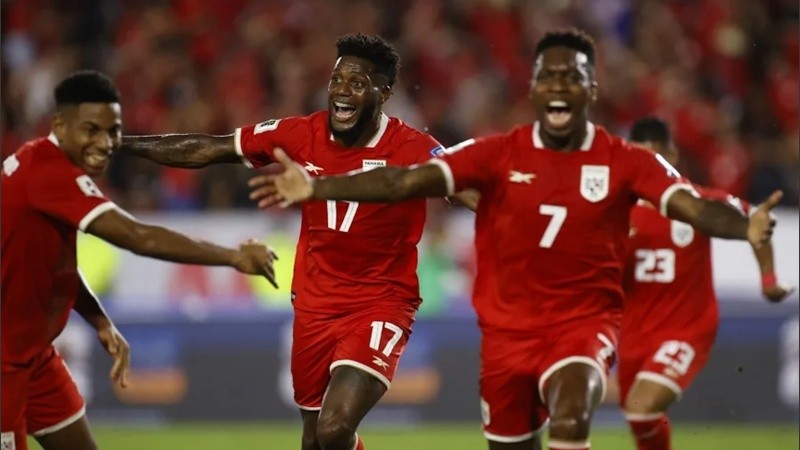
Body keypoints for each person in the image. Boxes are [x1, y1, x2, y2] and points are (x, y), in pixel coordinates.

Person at [249, 29, 781, 450]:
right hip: (508, 332)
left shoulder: (628, 161)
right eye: (547, 76)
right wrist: (319, 185)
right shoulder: (497, 153)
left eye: (570, 77)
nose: (557, 86)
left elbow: (691, 204)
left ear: (590, 90)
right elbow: (403, 180)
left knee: (572, 418)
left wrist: (744, 227)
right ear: (533, 88)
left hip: (582, 319)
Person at [119, 33, 473, 450]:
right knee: (314, 440)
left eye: (357, 83)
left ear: (385, 92)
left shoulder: (413, 148)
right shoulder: (298, 134)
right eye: (337, 79)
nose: (342, 90)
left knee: (335, 426)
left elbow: (464, 189)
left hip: (381, 302)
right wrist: (120, 145)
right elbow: (209, 149)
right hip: (314, 306)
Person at [1, 71, 278, 450]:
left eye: (112, 130)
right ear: (60, 126)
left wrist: (99, 321)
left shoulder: (40, 163)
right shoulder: (49, 173)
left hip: (33, 358)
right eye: (91, 130)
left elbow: (50, 265)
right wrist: (232, 256)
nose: (105, 143)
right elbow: (138, 236)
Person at [615, 116, 794, 450]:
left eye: (655, 159)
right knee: (639, 416)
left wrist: (768, 280)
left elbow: (757, 222)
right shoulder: (613, 215)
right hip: (634, 332)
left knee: (643, 407)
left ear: (673, 156)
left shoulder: (698, 203)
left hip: (685, 328)